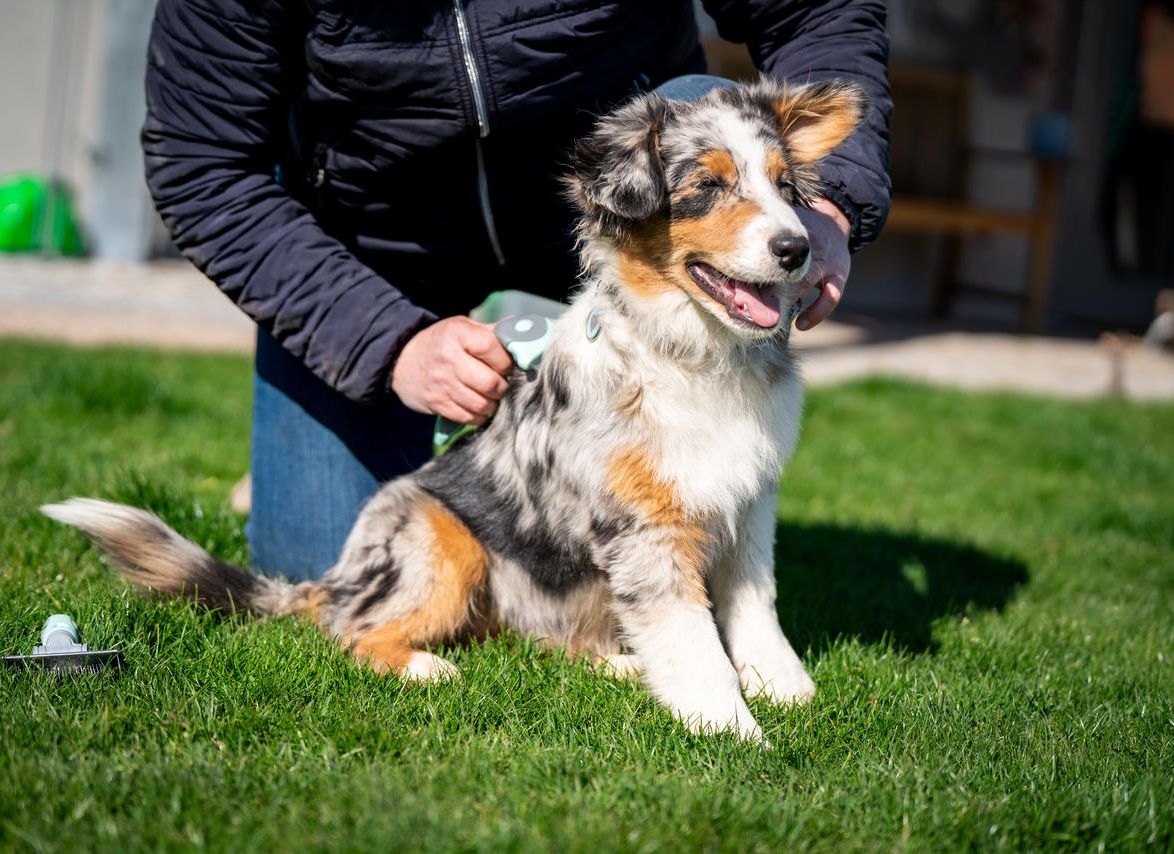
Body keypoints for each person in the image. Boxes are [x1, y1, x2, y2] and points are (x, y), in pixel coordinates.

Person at [142, 0, 892, 580]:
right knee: (332, 569)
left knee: (705, 104)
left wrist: (827, 204)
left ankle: (709, 515)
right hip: (374, 245)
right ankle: (450, 436)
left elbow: (816, 11)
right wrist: (384, 343)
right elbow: (201, 164)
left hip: (619, 208)